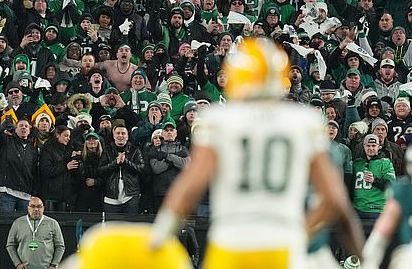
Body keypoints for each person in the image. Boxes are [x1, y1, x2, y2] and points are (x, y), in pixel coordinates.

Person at [151, 38, 364, 268]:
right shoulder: (303, 121)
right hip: (282, 242)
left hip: (231, 242)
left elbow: (190, 187)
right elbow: (334, 199)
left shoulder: (220, 119)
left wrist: (157, 238)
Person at [6, 197, 65, 269]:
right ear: (28, 208)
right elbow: (10, 245)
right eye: (33, 206)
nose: (36, 209)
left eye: (39, 206)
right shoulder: (18, 223)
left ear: (43, 208)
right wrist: (18, 263)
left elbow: (60, 246)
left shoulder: (52, 223)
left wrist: (54, 265)